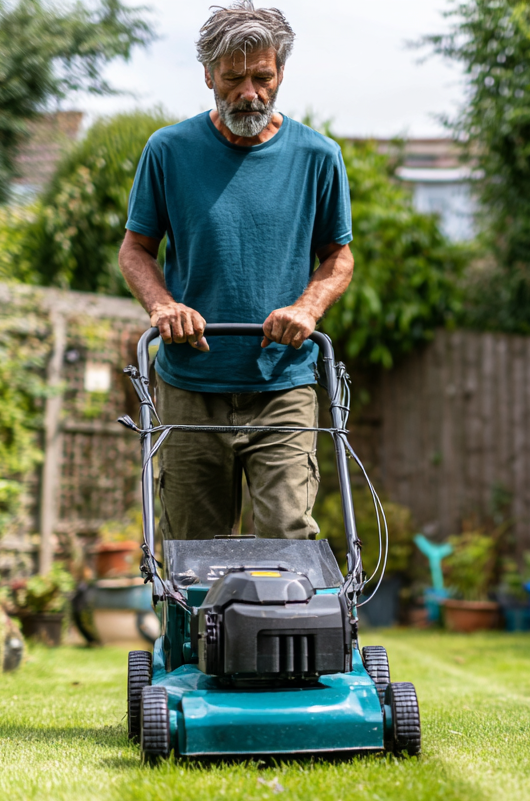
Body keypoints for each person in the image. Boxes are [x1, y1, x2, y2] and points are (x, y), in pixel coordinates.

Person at [118, 1, 353, 542]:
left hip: (282, 383)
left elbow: (338, 257)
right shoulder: (168, 151)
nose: (249, 92)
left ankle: (279, 631)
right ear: (208, 76)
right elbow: (136, 249)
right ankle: (189, 631)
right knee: (189, 552)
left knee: (289, 538)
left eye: (262, 77)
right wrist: (163, 306)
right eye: (233, 78)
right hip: (189, 385)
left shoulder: (318, 157)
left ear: (280, 73)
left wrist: (307, 308)